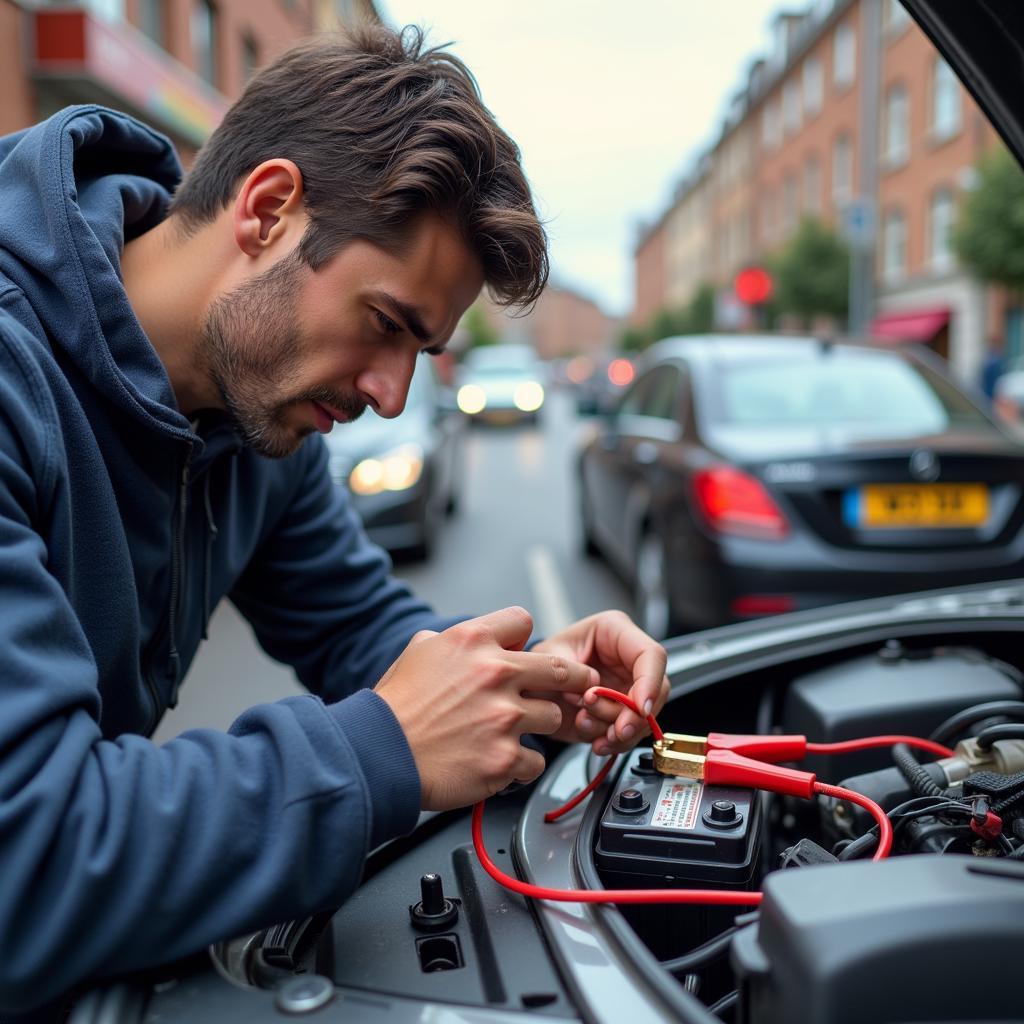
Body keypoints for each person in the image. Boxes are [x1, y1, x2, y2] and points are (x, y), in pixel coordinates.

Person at [0, 23, 669, 1017]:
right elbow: (26, 862)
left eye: (423, 352)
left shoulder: (252, 413)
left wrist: (525, 686)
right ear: (268, 211)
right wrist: (381, 749)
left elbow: (358, 626)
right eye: (386, 323)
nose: (393, 395)